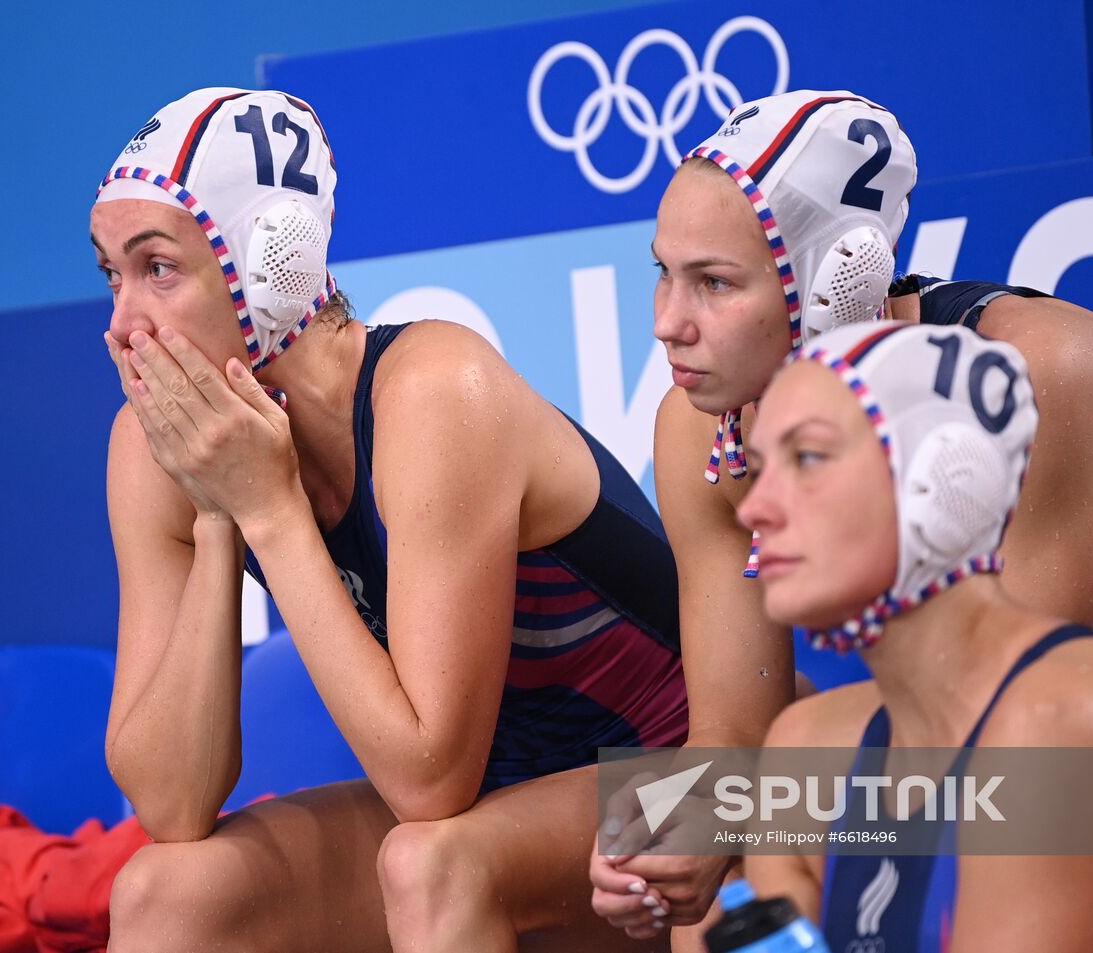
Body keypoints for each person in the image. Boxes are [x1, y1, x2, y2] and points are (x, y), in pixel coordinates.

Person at [93, 87, 686, 953]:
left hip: (725, 781)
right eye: (112, 274)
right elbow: (170, 804)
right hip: (507, 807)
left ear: (271, 267)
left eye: (158, 269)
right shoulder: (150, 451)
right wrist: (219, 513)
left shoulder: (434, 388)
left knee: (434, 861)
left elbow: (429, 780)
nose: (121, 326)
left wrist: (268, 506)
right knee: (164, 892)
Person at [737, 319, 1093, 951]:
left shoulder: (1074, 722)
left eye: (807, 458)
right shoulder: (808, 747)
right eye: (758, 469)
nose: (753, 508)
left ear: (939, 479)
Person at [592, 91, 919, 949]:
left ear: (831, 285)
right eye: (662, 271)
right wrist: (662, 824)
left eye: (713, 282)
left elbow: (1031, 737)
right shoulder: (701, 429)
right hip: (966, 749)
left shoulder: (1021, 384)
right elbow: (735, 727)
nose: (667, 322)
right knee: (705, 883)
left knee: (797, 759)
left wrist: (755, 795)